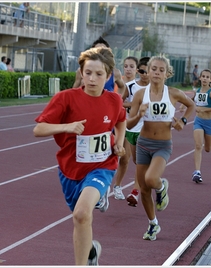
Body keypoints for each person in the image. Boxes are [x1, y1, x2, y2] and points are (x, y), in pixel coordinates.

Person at [33, 46, 126, 265]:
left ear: (109, 75)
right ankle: (91, 251)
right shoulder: (65, 98)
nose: (92, 79)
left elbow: (121, 120)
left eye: (99, 74)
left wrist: (119, 143)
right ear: (81, 73)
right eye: (88, 73)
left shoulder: (114, 100)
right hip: (70, 170)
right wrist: (66, 127)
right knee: (80, 219)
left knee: (82, 214)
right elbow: (39, 129)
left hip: (103, 165)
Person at [127, 55, 195, 241]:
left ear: (167, 74)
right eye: (154, 69)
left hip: (162, 145)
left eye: (161, 70)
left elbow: (191, 105)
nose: (157, 72)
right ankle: (153, 224)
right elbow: (129, 124)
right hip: (143, 144)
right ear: (148, 71)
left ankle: (162, 185)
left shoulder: (173, 93)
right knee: (143, 189)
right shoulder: (140, 95)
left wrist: (182, 120)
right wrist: (139, 114)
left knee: (151, 179)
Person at [114, 57, 150, 206]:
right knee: (124, 158)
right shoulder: (130, 86)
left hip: (147, 128)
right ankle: (117, 186)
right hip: (130, 126)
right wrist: (134, 104)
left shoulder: (156, 87)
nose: (144, 73)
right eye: (141, 70)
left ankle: (135, 191)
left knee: (139, 162)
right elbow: (119, 103)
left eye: (147, 70)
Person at [188, 69, 211, 183]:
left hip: (209, 122)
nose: (205, 79)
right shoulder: (197, 91)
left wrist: (204, 109)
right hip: (198, 121)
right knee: (198, 145)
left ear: (210, 79)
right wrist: (185, 105)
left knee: (207, 149)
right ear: (200, 78)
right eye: (203, 76)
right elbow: (193, 101)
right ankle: (197, 172)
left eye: (208, 77)